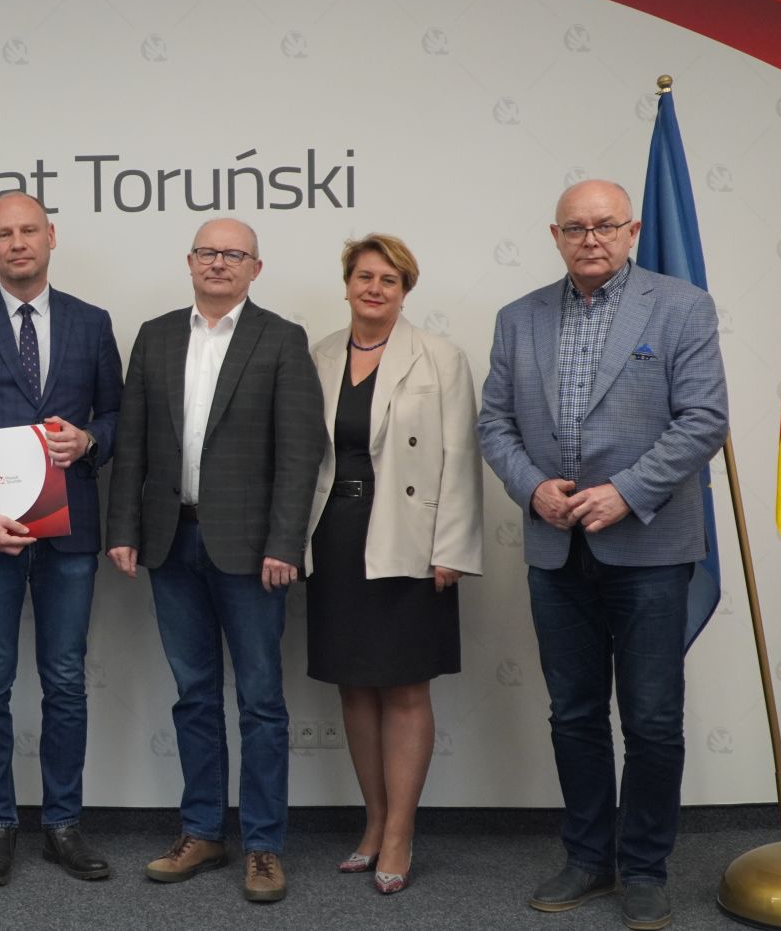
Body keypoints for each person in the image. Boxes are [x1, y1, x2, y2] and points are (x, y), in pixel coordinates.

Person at [477, 180, 727, 931]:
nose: (590, 239)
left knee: (651, 720)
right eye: (575, 228)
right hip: (556, 549)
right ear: (554, 235)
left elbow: (703, 419)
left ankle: (645, 868)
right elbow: (494, 423)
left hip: (649, 546)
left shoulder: (681, 306)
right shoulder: (518, 317)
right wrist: (532, 489)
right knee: (575, 713)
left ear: (633, 230)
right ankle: (589, 858)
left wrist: (625, 491)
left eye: (605, 225)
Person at [107, 218, 325, 904]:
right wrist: (123, 527)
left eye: (234, 254)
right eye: (208, 252)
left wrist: (286, 542)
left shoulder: (281, 339)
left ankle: (262, 845)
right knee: (194, 694)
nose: (219, 263)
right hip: (171, 542)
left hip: (253, 551)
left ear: (256, 268)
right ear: (190, 261)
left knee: (261, 701)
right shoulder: (155, 336)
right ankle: (202, 831)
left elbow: (301, 452)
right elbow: (132, 443)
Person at [0, 191, 122, 886]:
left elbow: (118, 415)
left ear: (51, 236)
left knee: (65, 679)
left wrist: (91, 439)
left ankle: (63, 823)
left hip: (69, 533)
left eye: (28, 230)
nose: (17, 243)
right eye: (3, 233)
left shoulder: (92, 322)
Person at [303, 235, 483, 895]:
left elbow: (460, 457)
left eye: (389, 279)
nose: (374, 288)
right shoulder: (320, 354)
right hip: (335, 536)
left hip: (410, 537)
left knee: (405, 687)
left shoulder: (440, 356)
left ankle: (402, 831)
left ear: (406, 290)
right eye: (365, 276)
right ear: (347, 283)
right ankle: (374, 821)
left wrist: (451, 547)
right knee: (354, 684)